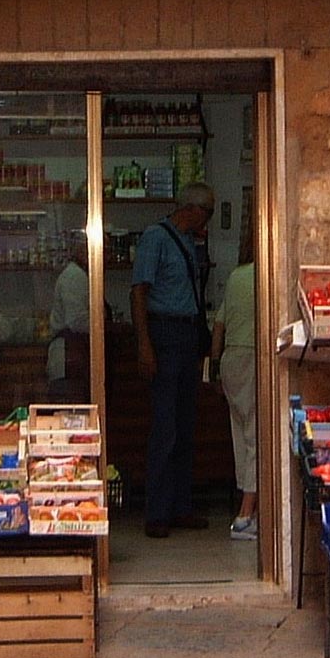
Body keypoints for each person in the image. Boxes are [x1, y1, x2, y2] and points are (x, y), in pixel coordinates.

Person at [131, 182, 215, 538]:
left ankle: (180, 506)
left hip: (185, 334)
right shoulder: (156, 238)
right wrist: (145, 345)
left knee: (184, 424)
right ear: (192, 210)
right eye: (207, 213)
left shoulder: (186, 242)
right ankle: (157, 512)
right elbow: (139, 291)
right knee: (165, 426)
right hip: (164, 333)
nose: (207, 221)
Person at [211, 248, 258, 540]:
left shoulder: (236, 276)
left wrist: (215, 368)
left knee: (240, 435)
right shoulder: (268, 277)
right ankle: (245, 514)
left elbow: (219, 324)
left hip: (230, 359)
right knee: (256, 437)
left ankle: (249, 506)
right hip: (254, 357)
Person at [45, 243, 90, 398]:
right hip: (70, 361)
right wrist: (103, 326)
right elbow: (77, 321)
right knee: (69, 416)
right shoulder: (75, 277)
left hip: (73, 360)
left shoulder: (79, 275)